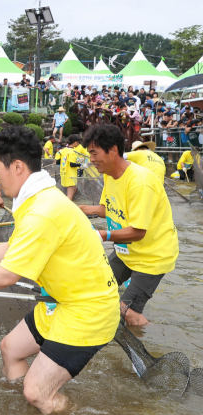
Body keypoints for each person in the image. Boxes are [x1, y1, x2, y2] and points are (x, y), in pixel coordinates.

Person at [0, 125, 119, 414]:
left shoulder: (43, 210)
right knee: (10, 349)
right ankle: (30, 413)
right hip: (60, 301)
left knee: (36, 392)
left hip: (88, 310)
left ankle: (72, 414)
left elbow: (8, 274)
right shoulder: (35, 199)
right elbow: (16, 247)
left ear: (17, 166)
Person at [79, 124, 179, 326]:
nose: (91, 160)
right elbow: (110, 208)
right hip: (126, 251)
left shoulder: (140, 182)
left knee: (128, 313)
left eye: (94, 153)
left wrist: (102, 235)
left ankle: (155, 339)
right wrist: (80, 210)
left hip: (152, 256)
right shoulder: (110, 175)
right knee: (97, 286)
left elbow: (138, 231)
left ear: (113, 150)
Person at [55, 135, 82, 201]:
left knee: (75, 189)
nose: (79, 143)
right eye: (78, 142)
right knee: (69, 196)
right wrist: (81, 164)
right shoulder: (72, 152)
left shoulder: (62, 151)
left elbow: (58, 162)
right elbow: (72, 164)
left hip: (64, 173)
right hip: (71, 175)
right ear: (75, 142)